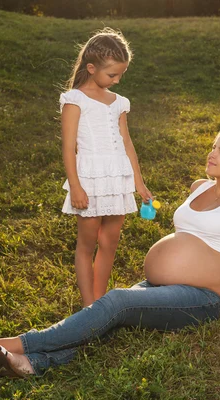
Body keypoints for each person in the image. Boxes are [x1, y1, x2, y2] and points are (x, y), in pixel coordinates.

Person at [0, 128, 220, 378]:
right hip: (162, 287)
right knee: (108, 321)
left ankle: (18, 344)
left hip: (203, 299)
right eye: (213, 147)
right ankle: (29, 365)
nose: (212, 153)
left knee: (116, 302)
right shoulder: (199, 187)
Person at [59, 28, 152, 307]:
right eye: (112, 75)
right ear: (91, 68)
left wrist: (138, 182)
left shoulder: (118, 102)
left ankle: (99, 303)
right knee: (87, 243)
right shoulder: (75, 100)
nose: (117, 80)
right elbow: (68, 147)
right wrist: (75, 185)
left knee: (110, 242)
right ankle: (88, 305)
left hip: (117, 179)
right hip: (89, 179)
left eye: (120, 75)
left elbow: (127, 143)